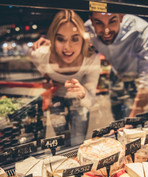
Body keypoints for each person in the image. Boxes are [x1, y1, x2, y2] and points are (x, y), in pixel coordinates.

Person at [31, 10, 100, 146]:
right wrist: (47, 79)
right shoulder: (41, 54)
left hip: (79, 102)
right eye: (60, 39)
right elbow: (36, 64)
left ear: (83, 39)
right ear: (52, 39)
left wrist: (83, 92)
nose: (67, 47)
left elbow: (91, 101)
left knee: (77, 143)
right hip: (55, 100)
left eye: (75, 39)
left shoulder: (91, 58)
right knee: (62, 143)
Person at [85, 13, 148, 120]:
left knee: (131, 125)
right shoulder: (87, 29)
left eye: (112, 21)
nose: (106, 31)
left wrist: (134, 116)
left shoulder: (139, 29)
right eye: (98, 22)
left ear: (121, 17)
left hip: (136, 81)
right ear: (91, 19)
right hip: (114, 76)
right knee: (118, 120)